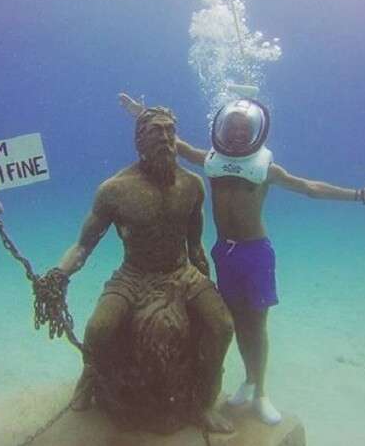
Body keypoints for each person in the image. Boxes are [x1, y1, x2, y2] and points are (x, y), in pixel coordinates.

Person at [119, 92, 365, 425]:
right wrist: (141, 114)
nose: (238, 133)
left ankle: (262, 392)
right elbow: (172, 142)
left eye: (243, 128)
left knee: (258, 325)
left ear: (255, 130)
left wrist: (359, 196)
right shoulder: (211, 160)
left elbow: (309, 187)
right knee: (236, 322)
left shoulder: (265, 166)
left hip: (255, 254)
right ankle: (249, 381)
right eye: (232, 126)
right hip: (225, 252)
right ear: (222, 127)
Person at [52, 106, 235, 433]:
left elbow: (195, 247)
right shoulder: (115, 190)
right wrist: (58, 274)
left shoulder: (192, 186)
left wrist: (209, 286)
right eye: (156, 132)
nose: (166, 138)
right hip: (134, 275)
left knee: (221, 325)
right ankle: (93, 378)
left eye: (170, 131)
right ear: (140, 140)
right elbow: (82, 246)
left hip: (181, 273)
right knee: (98, 329)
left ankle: (204, 402)